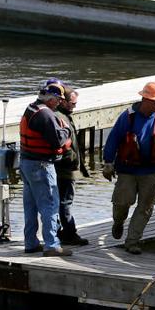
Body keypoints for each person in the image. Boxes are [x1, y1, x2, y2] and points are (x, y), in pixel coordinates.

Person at [102, 81, 155, 254]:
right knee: (123, 202)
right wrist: (108, 163)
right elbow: (113, 139)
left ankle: (132, 242)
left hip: (151, 170)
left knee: (146, 207)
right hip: (127, 169)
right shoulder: (127, 116)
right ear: (144, 99)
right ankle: (118, 222)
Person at [18, 82, 72, 257]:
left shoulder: (31, 108)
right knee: (50, 204)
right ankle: (51, 244)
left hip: (27, 163)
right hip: (41, 165)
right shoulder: (46, 114)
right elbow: (58, 140)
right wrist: (66, 130)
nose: (59, 103)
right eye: (58, 99)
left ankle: (31, 242)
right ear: (51, 98)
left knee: (31, 205)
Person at [53, 86, 90, 246]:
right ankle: (69, 233)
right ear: (63, 101)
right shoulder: (59, 117)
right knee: (65, 201)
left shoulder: (62, 115)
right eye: (72, 103)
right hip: (64, 169)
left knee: (58, 201)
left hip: (63, 168)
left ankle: (58, 232)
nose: (74, 107)